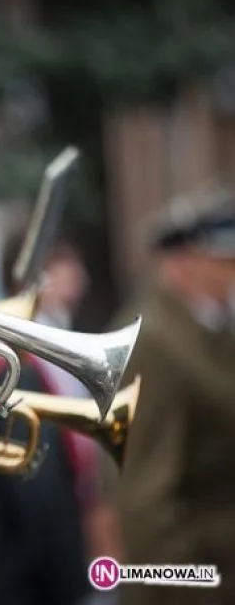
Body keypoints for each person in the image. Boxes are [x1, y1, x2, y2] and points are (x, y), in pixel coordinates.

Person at [108, 187, 235, 605]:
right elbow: (146, 499)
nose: (231, 271)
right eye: (223, 261)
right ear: (183, 261)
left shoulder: (206, 326)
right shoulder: (156, 342)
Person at [0, 229, 93, 605]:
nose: (77, 272)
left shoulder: (48, 353)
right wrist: (74, 584)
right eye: (60, 263)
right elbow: (40, 496)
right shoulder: (19, 367)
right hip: (20, 581)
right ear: (31, 277)